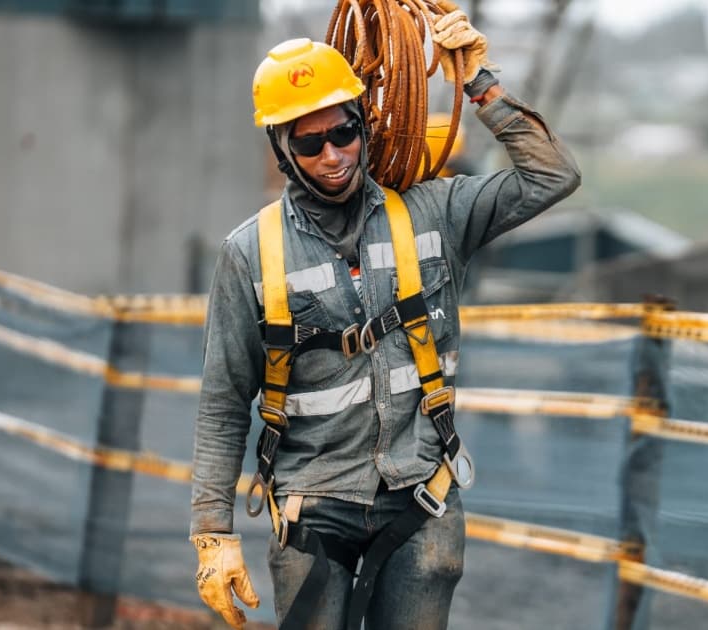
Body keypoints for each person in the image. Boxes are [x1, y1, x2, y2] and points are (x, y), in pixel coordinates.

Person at [188, 8, 580, 630]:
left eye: (342, 133)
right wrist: (213, 532)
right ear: (282, 150)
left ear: (363, 126)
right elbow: (224, 399)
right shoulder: (250, 253)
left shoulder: (435, 212)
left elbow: (553, 175)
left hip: (422, 499)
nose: (333, 155)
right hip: (314, 509)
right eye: (309, 144)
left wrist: (481, 81)